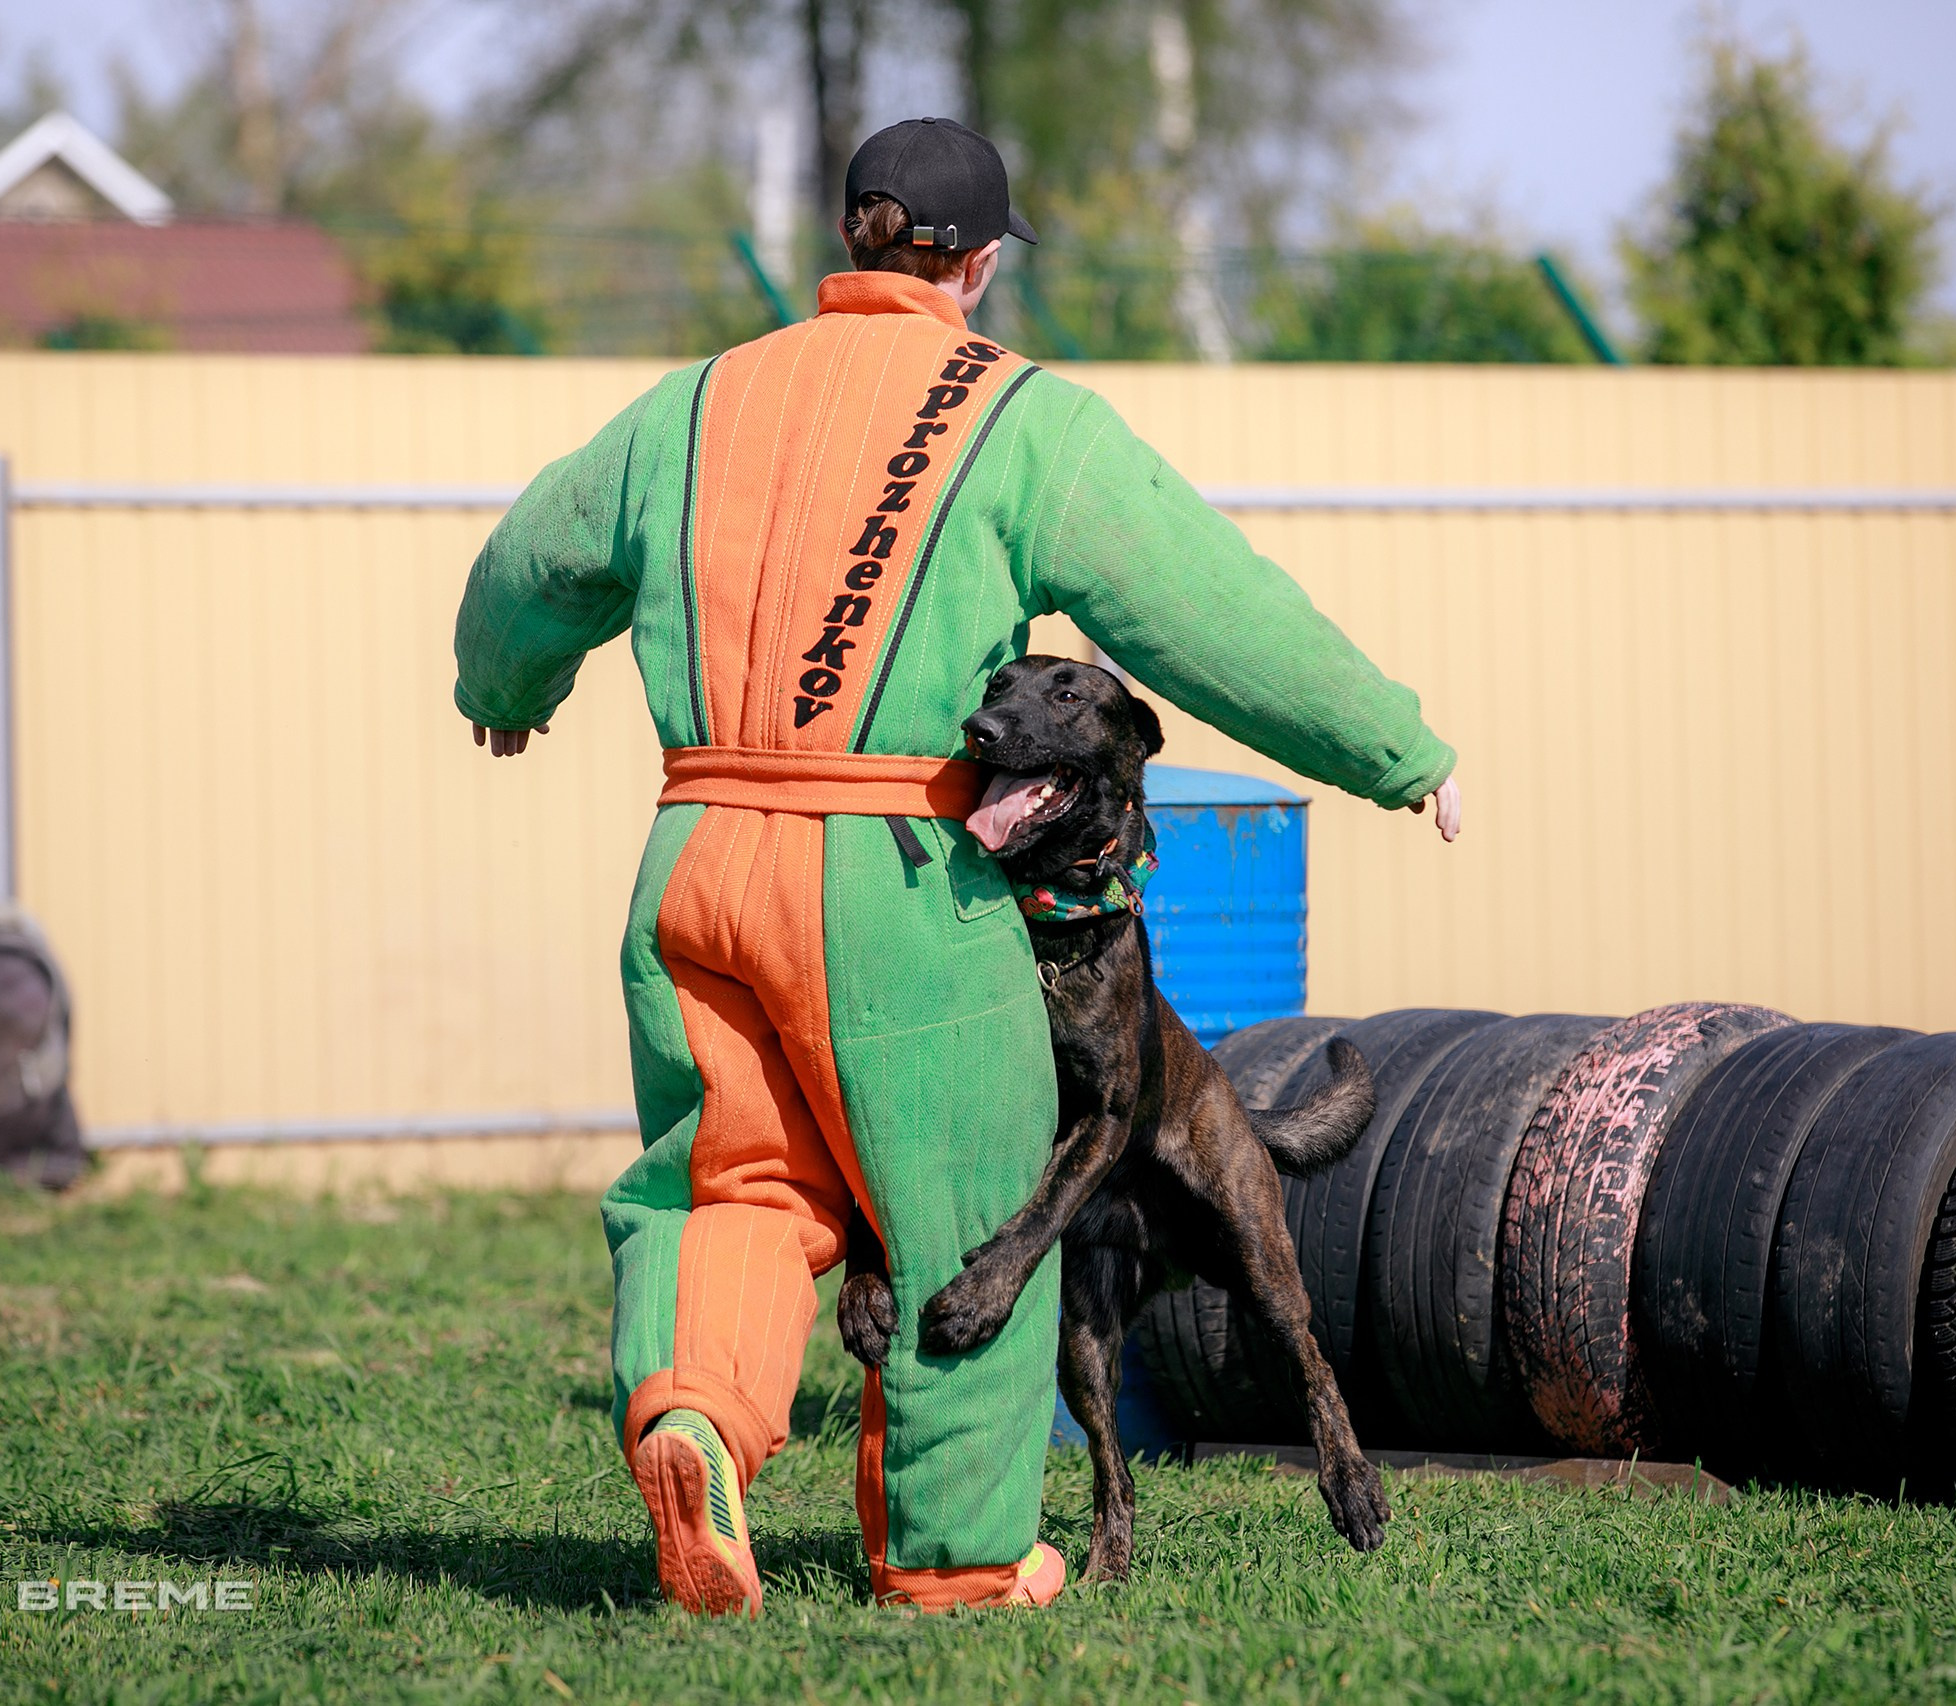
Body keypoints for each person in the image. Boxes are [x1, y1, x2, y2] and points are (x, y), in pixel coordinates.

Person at [455, 116, 1460, 1617]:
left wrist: (506, 686)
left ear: (847, 243)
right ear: (977, 265)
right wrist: (1394, 748)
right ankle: (959, 1554)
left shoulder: (695, 404)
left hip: (700, 850)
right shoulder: (1021, 421)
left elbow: (535, 555)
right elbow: (1212, 610)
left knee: (723, 1180)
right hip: (900, 868)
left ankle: (692, 1418)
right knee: (957, 1193)